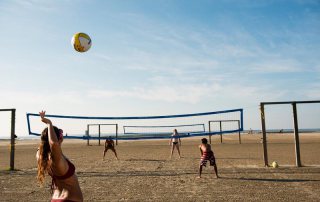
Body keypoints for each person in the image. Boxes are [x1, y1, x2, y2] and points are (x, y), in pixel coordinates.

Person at [36, 110, 83, 202]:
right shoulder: (56, 159)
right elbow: (54, 144)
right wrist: (49, 124)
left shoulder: (41, 156)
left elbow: (46, 144)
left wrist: (48, 134)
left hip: (56, 198)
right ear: (59, 138)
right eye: (61, 134)